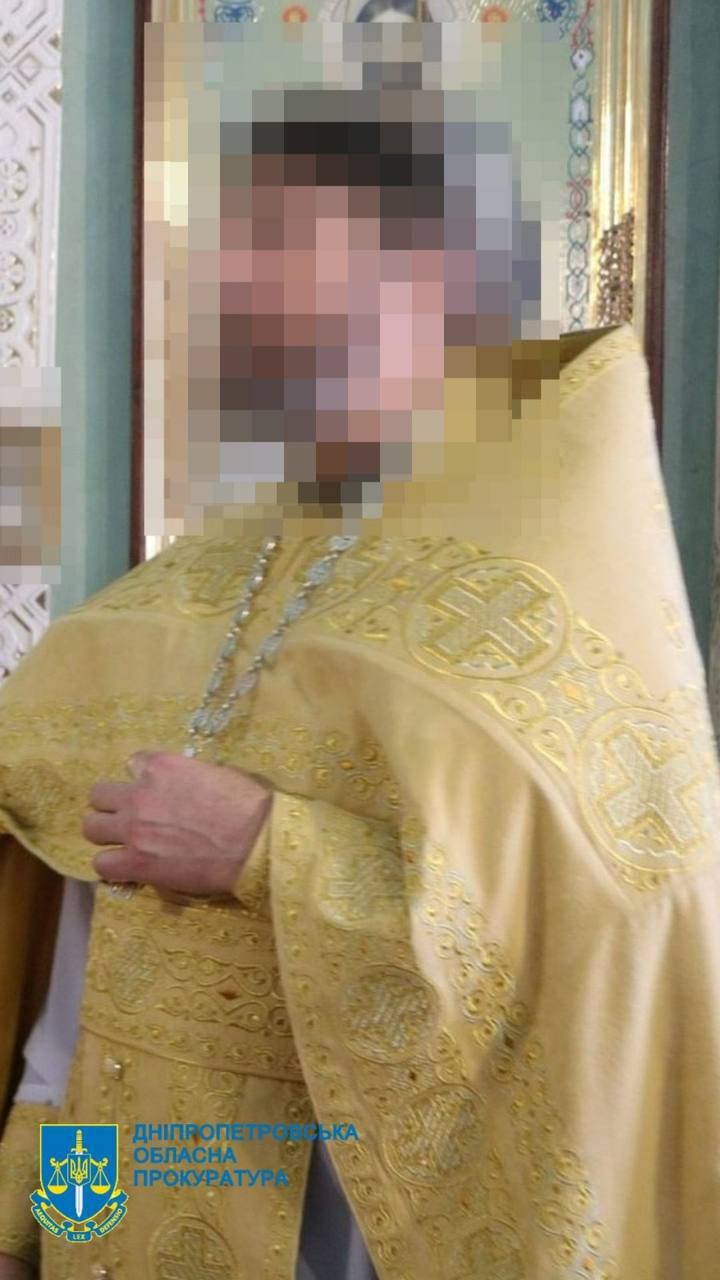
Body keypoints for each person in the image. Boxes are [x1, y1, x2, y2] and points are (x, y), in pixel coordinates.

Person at [0, 79, 719, 1280]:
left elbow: (616, 946)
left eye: (285, 250)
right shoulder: (181, 596)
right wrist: (29, 1227)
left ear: (437, 279)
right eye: (230, 255)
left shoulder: (546, 589)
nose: (234, 296)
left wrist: (272, 850)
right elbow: (83, 994)